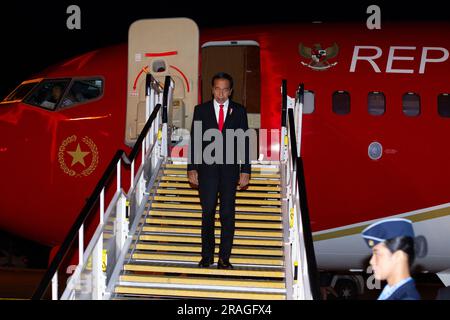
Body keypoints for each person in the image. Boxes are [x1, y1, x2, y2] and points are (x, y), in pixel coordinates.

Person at [187, 72, 251, 270]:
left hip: (230, 170)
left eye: (225, 90)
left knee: (227, 214)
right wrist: (192, 167)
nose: (221, 94)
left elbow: (244, 142)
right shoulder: (201, 110)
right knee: (207, 213)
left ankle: (224, 258)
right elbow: (195, 140)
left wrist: (245, 170)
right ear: (212, 89)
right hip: (207, 170)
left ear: (230, 91)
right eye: (217, 89)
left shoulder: (239, 111)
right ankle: (206, 257)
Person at [361, 218, 421, 300]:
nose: (371, 261)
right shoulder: (391, 291)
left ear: (398, 257)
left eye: (377, 253)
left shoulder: (407, 298)